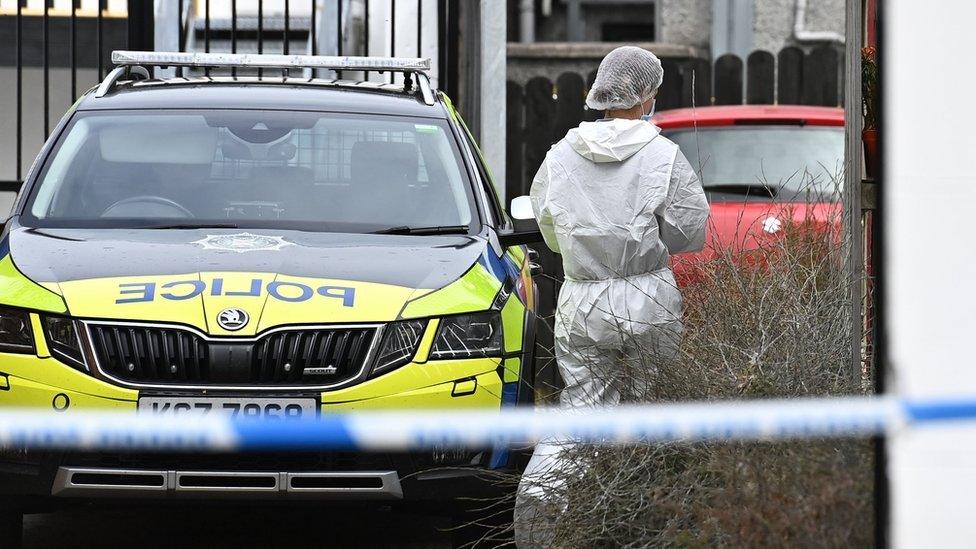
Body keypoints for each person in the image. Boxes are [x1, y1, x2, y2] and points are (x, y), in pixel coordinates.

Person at [514, 46, 710, 546]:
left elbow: (548, 224)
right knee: (651, 410)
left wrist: (585, 253)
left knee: (581, 413)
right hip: (649, 298)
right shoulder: (661, 154)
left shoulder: (561, 154)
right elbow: (690, 230)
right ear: (646, 95)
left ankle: (546, 523)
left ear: (602, 92)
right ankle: (646, 525)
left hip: (582, 302)